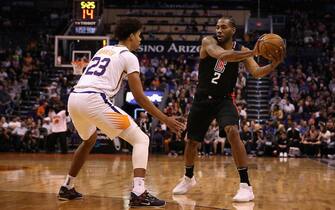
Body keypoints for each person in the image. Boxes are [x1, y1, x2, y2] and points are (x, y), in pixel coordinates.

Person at [57, 19, 185, 207]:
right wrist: (166, 119)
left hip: (75, 98)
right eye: (140, 35)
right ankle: (139, 192)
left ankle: (67, 186)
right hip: (94, 100)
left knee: (89, 140)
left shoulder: (103, 50)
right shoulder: (129, 56)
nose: (141, 40)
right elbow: (139, 97)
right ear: (131, 35)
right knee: (141, 140)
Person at [172, 16, 284, 202]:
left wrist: (273, 64)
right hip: (202, 100)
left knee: (232, 132)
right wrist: (253, 52)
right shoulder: (209, 42)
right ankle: (188, 178)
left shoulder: (243, 50)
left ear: (233, 30)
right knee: (191, 141)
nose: (219, 30)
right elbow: (222, 55)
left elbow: (256, 72)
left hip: (224, 100)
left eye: (223, 27)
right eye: (217, 27)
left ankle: (246, 186)